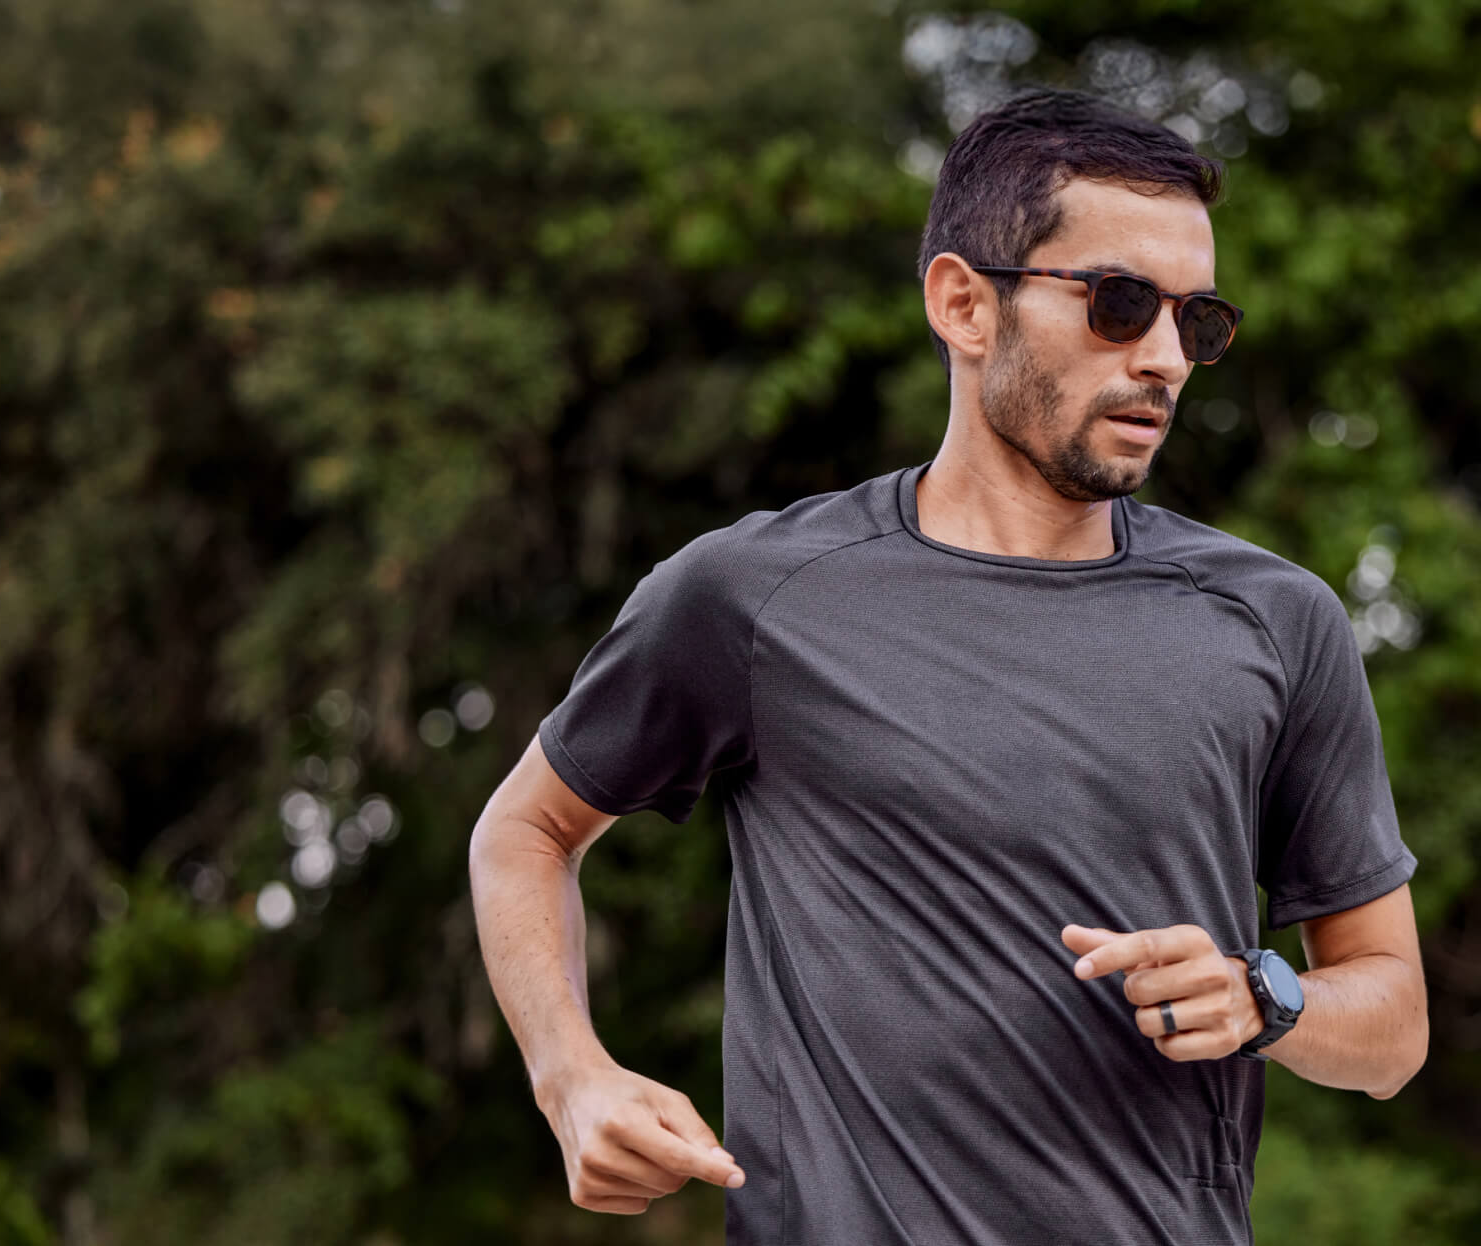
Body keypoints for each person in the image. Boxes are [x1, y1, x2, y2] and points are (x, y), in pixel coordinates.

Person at [467, 86, 1426, 1245]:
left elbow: (1393, 1019)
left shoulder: (1274, 620)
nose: (1168, 358)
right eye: (1121, 304)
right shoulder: (755, 596)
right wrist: (572, 1077)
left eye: (1197, 320)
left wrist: (1264, 994)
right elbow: (527, 830)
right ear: (966, 305)